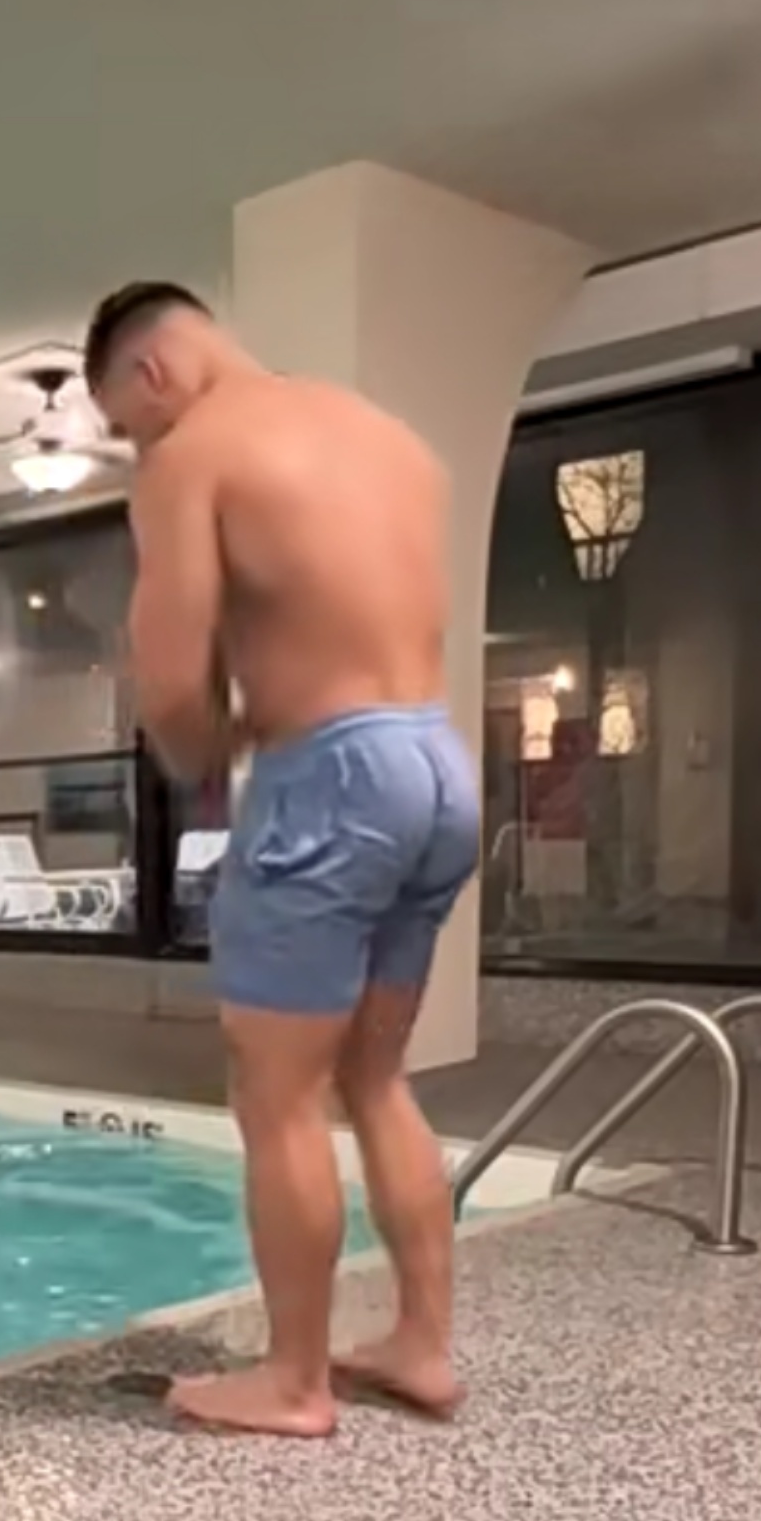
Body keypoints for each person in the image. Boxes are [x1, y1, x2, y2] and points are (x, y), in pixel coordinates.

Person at [84, 283, 481, 1440]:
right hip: (437, 765)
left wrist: (215, 746)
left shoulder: (192, 454)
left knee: (278, 1095)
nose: (137, 448)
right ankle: (421, 1346)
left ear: (151, 373)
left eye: (126, 425)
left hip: (332, 782)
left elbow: (173, 687)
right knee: (377, 1077)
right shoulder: (387, 439)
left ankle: (296, 1381)